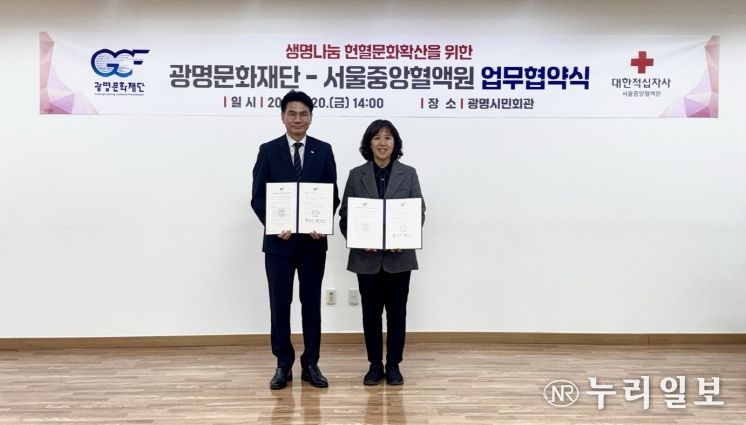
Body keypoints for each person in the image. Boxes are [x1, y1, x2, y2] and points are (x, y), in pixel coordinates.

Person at [251, 90, 340, 390]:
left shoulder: (323, 150)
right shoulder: (268, 150)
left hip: (313, 243)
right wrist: (274, 224)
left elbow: (331, 195)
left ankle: (311, 363)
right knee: (280, 304)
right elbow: (258, 197)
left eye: (304, 114)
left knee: (311, 304)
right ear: (282, 117)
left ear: (311, 118)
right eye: (292, 113)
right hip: (279, 245)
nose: (298, 119)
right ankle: (283, 364)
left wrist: (321, 223)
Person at [338, 119, 425, 386]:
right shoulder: (356, 175)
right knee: (370, 314)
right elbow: (345, 216)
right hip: (367, 259)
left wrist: (405, 239)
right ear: (369, 143)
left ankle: (394, 364)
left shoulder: (408, 174)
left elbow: (418, 212)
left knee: (397, 314)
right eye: (377, 138)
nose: (382, 143)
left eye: (388, 137)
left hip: (399, 258)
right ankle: (375, 364)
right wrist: (359, 239)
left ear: (395, 143)